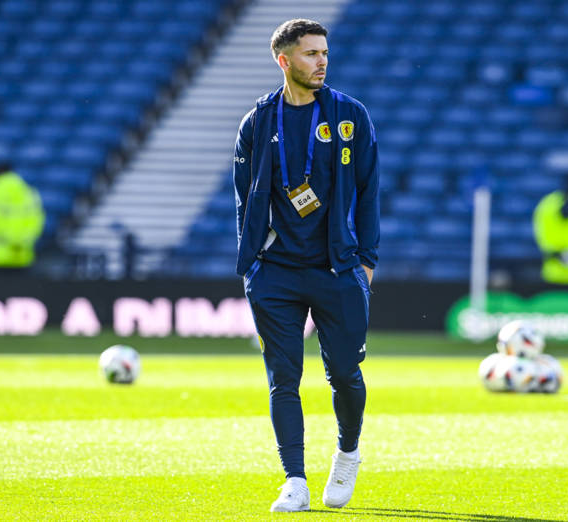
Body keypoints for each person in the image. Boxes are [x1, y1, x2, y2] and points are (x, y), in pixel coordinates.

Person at [233, 19, 379, 512]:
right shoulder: (258, 122)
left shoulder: (349, 116)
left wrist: (367, 261)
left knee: (346, 375)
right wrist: (251, 264)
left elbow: (369, 191)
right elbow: (244, 200)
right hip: (274, 271)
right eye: (311, 53)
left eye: (325, 53)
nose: (322, 61)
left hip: (337, 269)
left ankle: (348, 452)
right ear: (285, 60)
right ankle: (294, 479)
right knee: (283, 378)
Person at [0, 163, 45, 271]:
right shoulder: (28, 191)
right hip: (22, 254)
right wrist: (21, 241)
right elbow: (37, 221)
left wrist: (9, 240)